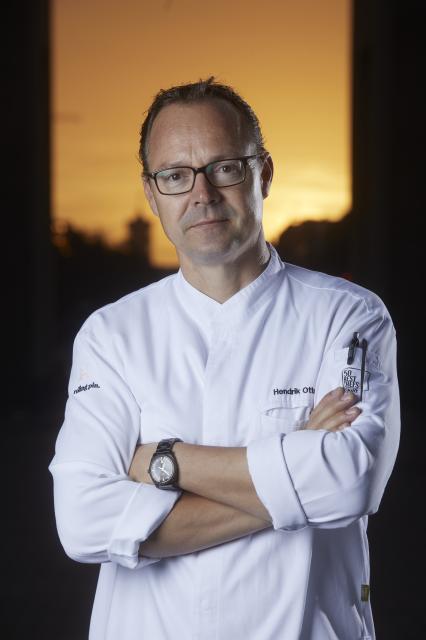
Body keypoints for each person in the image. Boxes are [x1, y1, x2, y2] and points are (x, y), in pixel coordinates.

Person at [48, 77, 400, 640]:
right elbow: (83, 522)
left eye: (225, 167)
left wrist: (164, 462)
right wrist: (297, 475)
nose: (202, 193)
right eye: (175, 175)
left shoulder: (347, 315)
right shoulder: (112, 335)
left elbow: (349, 483)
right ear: (151, 194)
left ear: (264, 173)